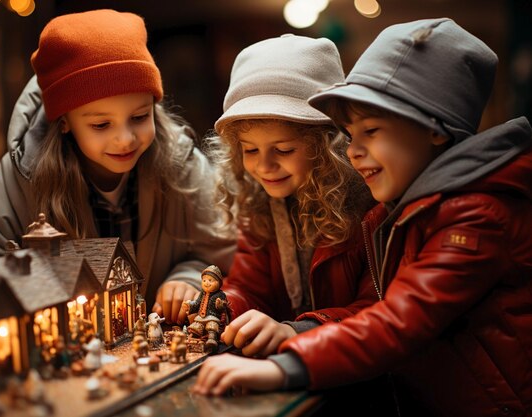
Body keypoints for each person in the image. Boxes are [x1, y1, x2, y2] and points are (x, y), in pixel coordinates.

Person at [193, 18, 532, 417]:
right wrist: (218, 307)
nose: (353, 152)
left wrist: (284, 366)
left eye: (370, 131)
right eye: (351, 134)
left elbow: (395, 321)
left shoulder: (475, 215)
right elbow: (250, 282)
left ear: (435, 130)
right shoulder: (415, 203)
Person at [0, 9, 235, 316]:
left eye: (139, 117)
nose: (125, 139)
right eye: (101, 125)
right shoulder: (25, 177)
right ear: (64, 122)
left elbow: (221, 246)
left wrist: (188, 277)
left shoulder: (181, 163)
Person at [203, 34, 376, 358]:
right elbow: (250, 286)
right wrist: (219, 306)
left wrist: (294, 331)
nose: (264, 165)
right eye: (250, 150)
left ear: (328, 147)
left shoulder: (369, 209)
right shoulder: (259, 204)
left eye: (283, 149)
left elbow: (376, 311)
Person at [181, 265, 229, 352]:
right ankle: (193, 340)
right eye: (204, 280)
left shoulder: (220, 294)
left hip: (213, 317)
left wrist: (220, 304)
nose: (207, 283)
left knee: (211, 327)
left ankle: (212, 340)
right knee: (195, 327)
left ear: (218, 282)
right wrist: (190, 305)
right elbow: (197, 303)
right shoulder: (202, 293)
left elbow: (223, 306)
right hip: (200, 317)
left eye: (210, 280)